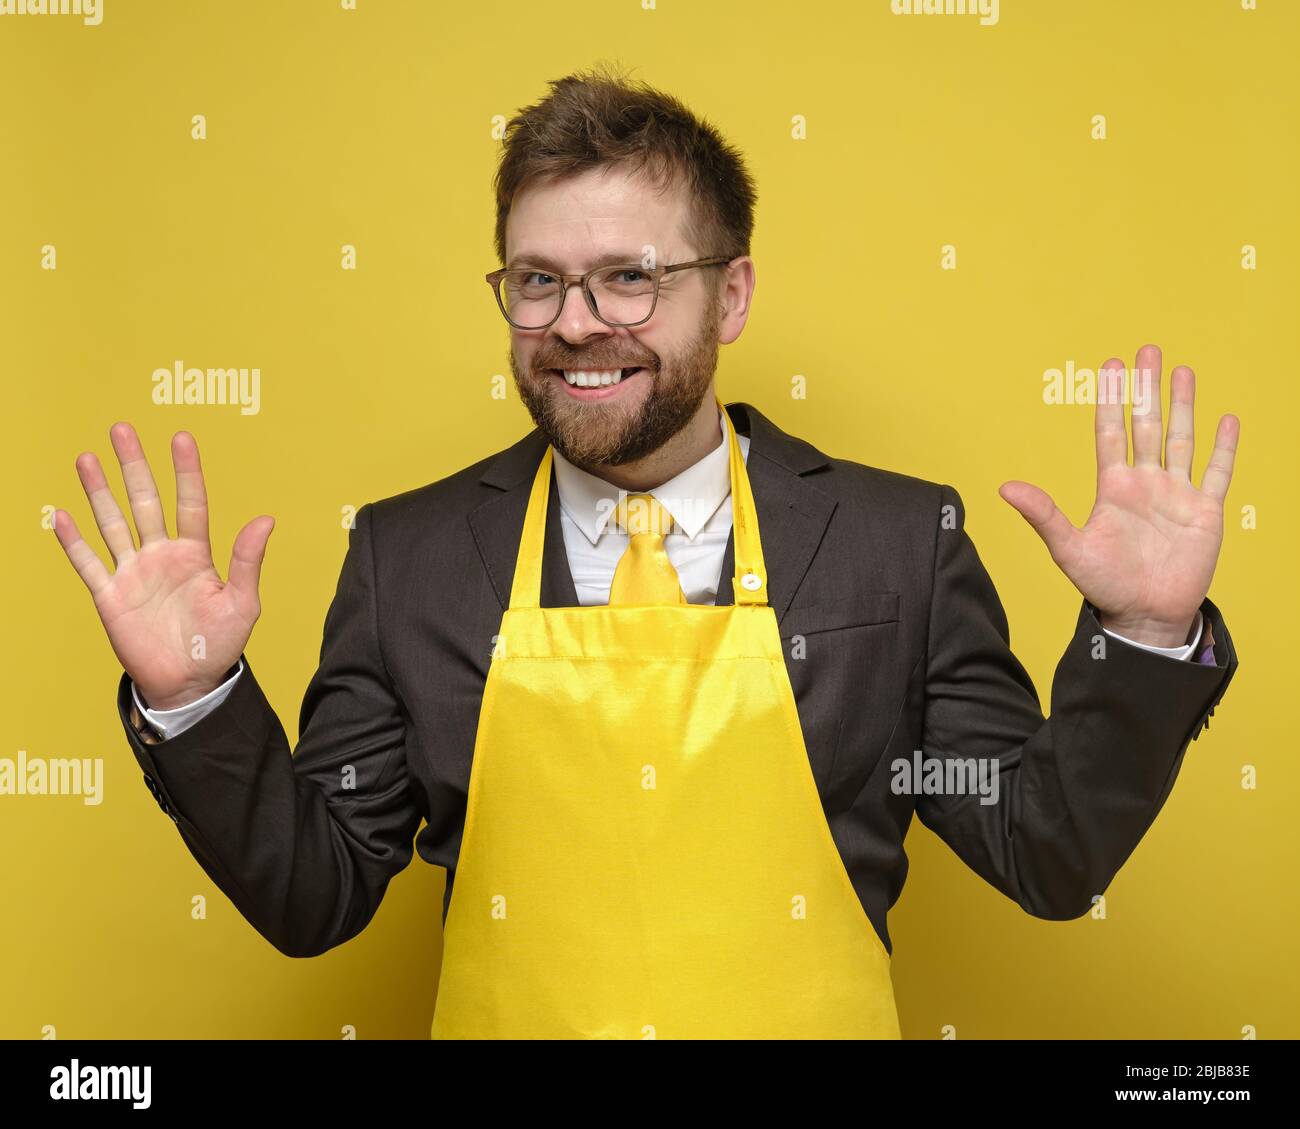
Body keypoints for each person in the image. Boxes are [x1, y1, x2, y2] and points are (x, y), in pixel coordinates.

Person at [53, 67, 1239, 1039]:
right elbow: (318, 896)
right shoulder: (407, 558)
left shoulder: (894, 545)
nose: (577, 323)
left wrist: (1141, 639)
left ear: (728, 297)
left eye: (630, 278)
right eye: (538, 281)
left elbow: (1045, 850)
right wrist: (195, 699)